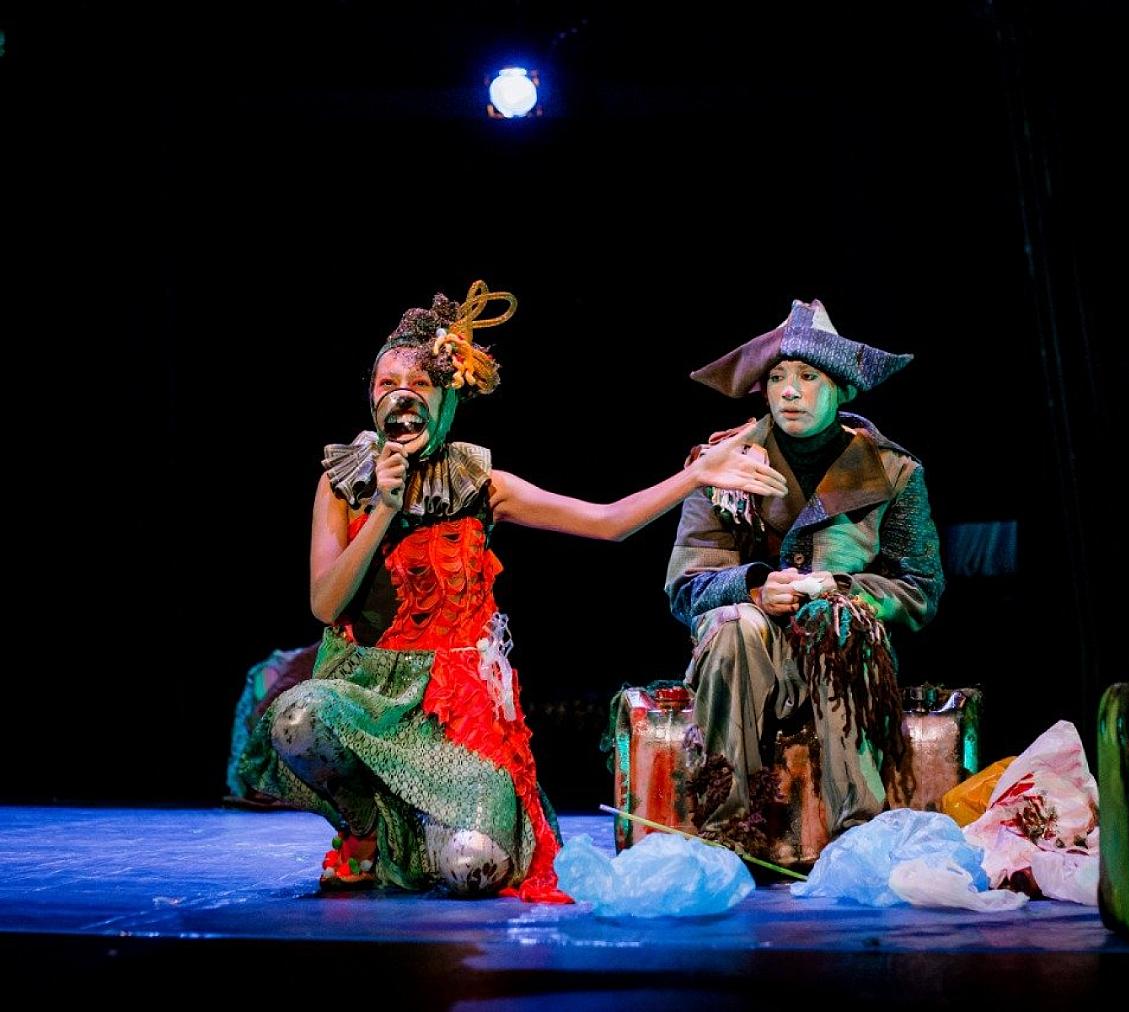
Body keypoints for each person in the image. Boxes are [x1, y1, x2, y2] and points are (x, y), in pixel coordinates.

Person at [240, 281, 787, 899]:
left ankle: (427, 827)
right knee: (297, 718)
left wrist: (697, 475)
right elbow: (325, 604)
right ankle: (366, 830)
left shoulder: (481, 485)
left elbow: (608, 522)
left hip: (452, 713)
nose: (402, 396)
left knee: (473, 868)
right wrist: (384, 510)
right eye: (387, 383)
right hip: (366, 692)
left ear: (446, 397)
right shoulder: (344, 482)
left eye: (419, 384)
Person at [666, 298, 943, 858]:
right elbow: (687, 585)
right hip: (749, 658)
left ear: (840, 388)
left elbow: (918, 588)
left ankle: (858, 835)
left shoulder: (893, 471)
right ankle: (727, 831)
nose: (790, 391)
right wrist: (755, 587)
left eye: (808, 376)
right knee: (736, 626)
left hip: (840, 656)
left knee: (834, 621)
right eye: (777, 377)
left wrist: (839, 591)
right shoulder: (722, 465)